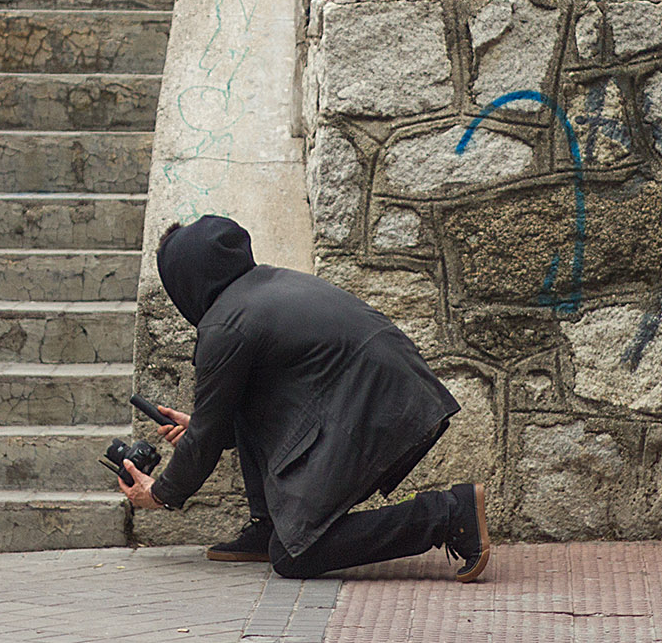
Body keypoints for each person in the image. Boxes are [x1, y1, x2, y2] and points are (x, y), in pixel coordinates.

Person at [116, 214, 492, 582]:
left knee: (296, 553)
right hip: (388, 389)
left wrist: (160, 493)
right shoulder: (263, 287)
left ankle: (448, 514)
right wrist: (205, 429)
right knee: (244, 404)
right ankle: (267, 526)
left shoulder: (225, 326)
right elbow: (225, 419)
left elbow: (206, 438)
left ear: (185, 281)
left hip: (375, 399)